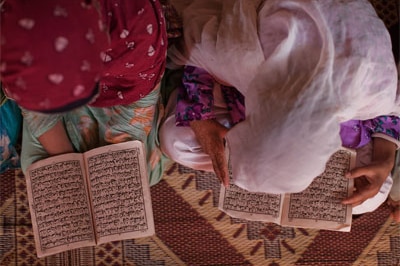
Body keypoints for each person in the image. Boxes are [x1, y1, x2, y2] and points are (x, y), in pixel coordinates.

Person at [159, 0, 400, 217]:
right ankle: (271, 165)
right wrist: (200, 121)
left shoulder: (374, 86)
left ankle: (272, 165)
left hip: (337, 73)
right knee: (175, 141)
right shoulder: (240, 54)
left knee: (371, 198)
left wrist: (385, 158)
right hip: (263, 72)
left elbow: (394, 107)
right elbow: (195, 56)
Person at [0, 0, 170, 185]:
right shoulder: (13, 33)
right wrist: (66, 161)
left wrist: (120, 147)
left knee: (143, 172)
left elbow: (142, 97)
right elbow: (35, 108)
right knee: (38, 170)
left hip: (124, 96)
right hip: (65, 91)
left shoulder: (136, 29)